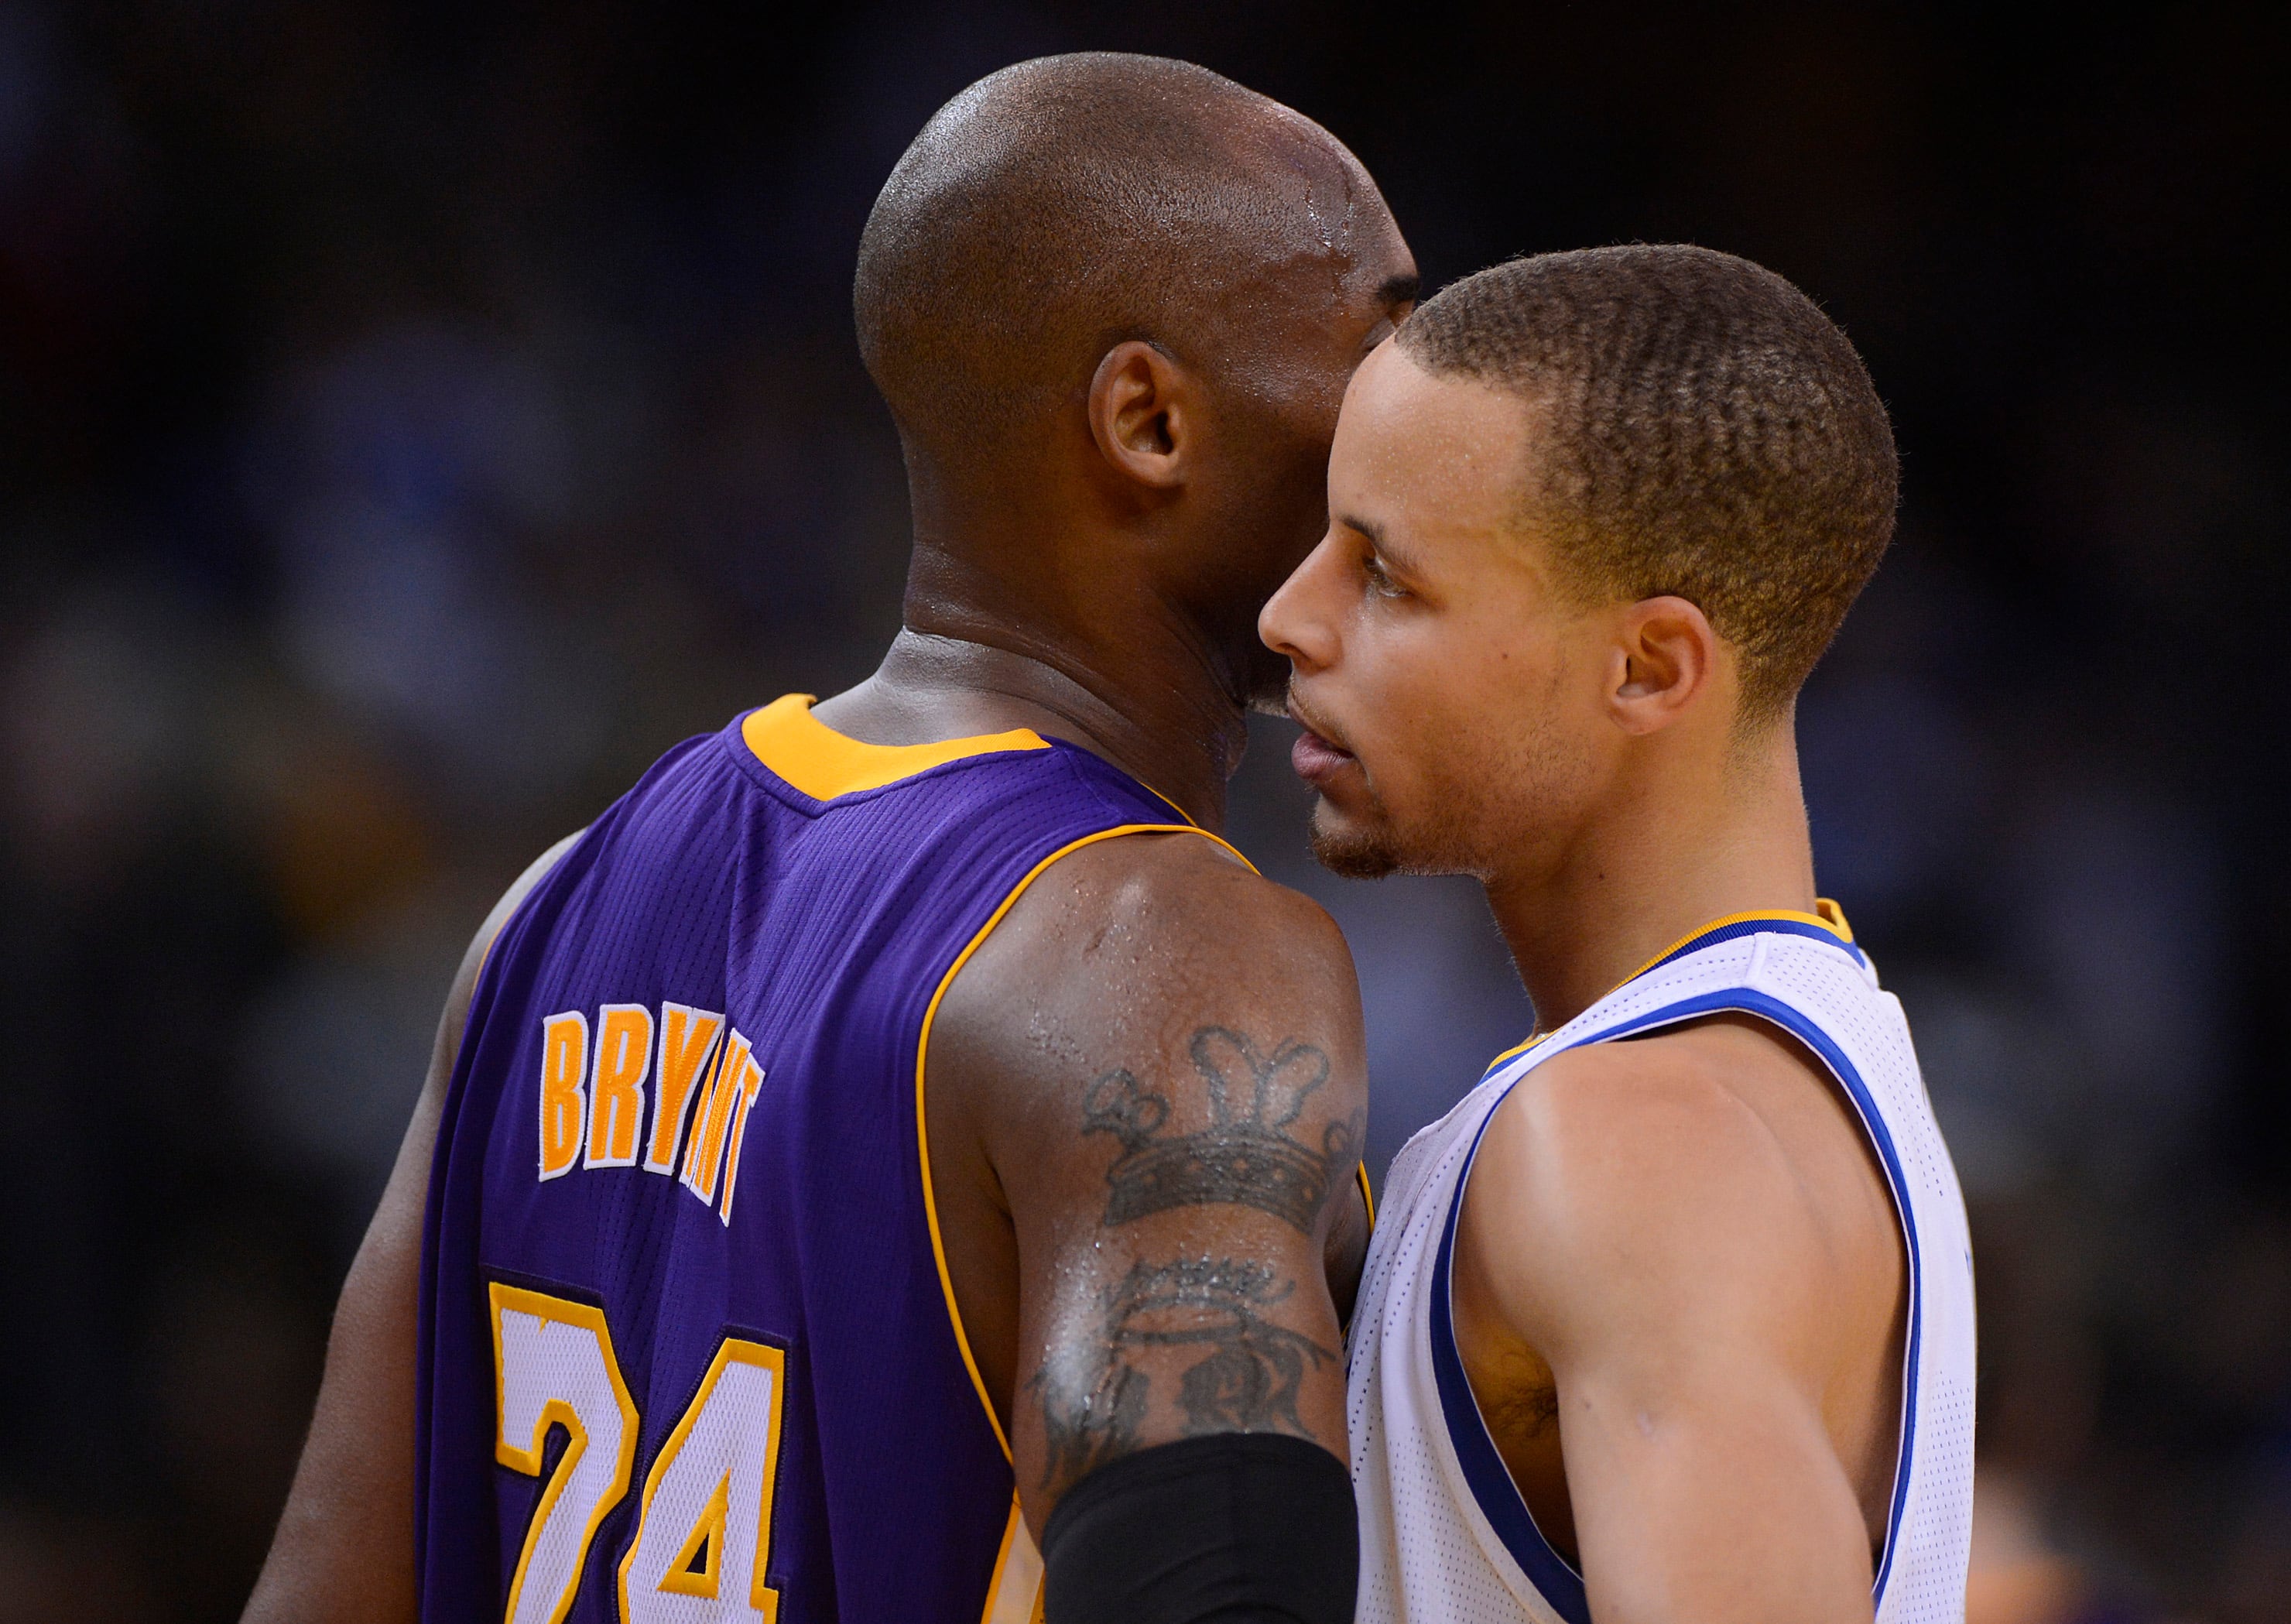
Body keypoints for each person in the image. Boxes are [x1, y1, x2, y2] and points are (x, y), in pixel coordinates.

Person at [245, 53, 1418, 1624]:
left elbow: (326, 1587)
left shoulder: (550, 907)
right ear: (1148, 419)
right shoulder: (1161, 945)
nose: (1432, 406)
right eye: (1386, 340)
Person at [1259, 245, 1974, 1623]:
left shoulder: (1642, 1146)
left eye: (1388, 579)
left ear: (1648, 667)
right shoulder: (1751, 1079)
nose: (1290, 616)